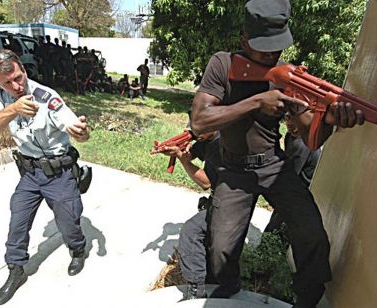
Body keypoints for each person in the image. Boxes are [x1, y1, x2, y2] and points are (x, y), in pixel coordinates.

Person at [190, 0, 365, 307]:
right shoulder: (222, 64)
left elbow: (311, 138)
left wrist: (328, 119)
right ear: (245, 39)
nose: (272, 55)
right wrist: (257, 102)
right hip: (233, 171)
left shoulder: (288, 75)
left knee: (313, 236)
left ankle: (307, 299)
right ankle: (228, 288)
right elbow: (200, 120)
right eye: (264, 48)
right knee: (220, 248)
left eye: (277, 48)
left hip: (273, 165)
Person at [0, 49, 91, 305]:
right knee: (17, 221)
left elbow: (76, 129)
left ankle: (77, 249)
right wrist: (14, 110)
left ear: (24, 70)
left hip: (60, 173)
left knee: (69, 222)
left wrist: (82, 132)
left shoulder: (46, 96)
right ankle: (16, 270)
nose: (16, 86)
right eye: (7, 83)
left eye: (18, 78)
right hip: (30, 174)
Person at [155, 127, 221, 301]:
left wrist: (181, 158)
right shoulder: (206, 138)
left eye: (196, 126)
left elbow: (206, 182)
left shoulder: (220, 144)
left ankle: (197, 289)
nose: (190, 130)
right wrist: (174, 148)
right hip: (218, 198)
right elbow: (190, 154)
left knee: (192, 231)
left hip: (230, 201)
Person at [265, 112, 322, 233]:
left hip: (302, 188)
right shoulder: (290, 136)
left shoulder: (303, 145)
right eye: (287, 118)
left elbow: (291, 174)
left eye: (294, 119)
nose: (289, 123)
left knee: (279, 225)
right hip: (292, 183)